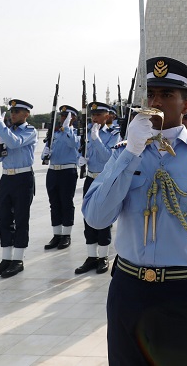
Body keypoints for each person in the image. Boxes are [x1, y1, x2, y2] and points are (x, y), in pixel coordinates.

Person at [83, 56, 187, 364]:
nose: (155, 102)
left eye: (167, 95)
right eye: (150, 94)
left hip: (181, 292)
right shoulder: (125, 152)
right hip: (128, 289)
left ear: (186, 104)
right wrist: (132, 153)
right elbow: (96, 217)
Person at [0, 99, 38, 279]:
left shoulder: (30, 131)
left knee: (21, 218)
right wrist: (0, 140)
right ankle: (6, 259)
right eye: (12, 111)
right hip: (6, 177)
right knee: (4, 218)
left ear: (26, 114)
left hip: (23, 178)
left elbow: (16, 143)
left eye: (17, 111)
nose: (13, 114)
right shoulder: (7, 131)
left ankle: (17, 260)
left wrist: (1, 126)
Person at [75, 102, 120, 275]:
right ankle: (91, 256)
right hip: (90, 178)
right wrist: (81, 157)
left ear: (107, 116)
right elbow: (84, 151)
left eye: (98, 115)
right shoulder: (87, 132)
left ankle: (103, 257)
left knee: (103, 218)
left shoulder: (113, 134)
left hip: (104, 179)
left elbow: (108, 156)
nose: (94, 118)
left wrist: (97, 140)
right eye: (93, 115)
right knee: (88, 216)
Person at [42, 105, 80, 250]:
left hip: (67, 171)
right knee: (54, 203)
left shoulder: (76, 133)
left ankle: (66, 235)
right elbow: (46, 153)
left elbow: (74, 144)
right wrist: (45, 153)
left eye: (67, 116)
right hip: (53, 171)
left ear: (73, 118)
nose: (63, 118)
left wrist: (67, 128)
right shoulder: (54, 133)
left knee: (66, 202)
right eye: (62, 116)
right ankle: (56, 234)